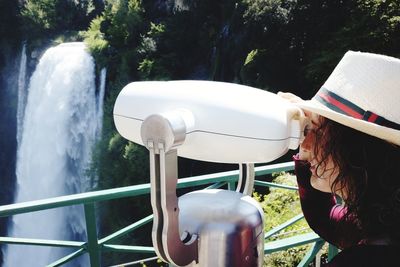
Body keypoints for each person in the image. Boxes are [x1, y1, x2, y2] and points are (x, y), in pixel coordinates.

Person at [279, 51, 400, 266]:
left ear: (358, 148)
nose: (306, 144)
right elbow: (324, 216)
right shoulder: (384, 226)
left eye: (318, 132)